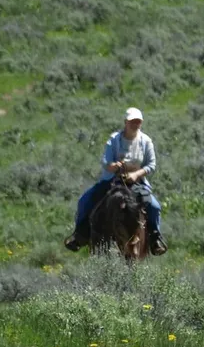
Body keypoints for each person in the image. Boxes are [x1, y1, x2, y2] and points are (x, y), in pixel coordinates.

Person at [65, 107, 165, 255]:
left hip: (137, 183)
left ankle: (155, 238)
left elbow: (151, 165)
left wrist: (136, 174)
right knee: (84, 200)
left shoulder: (146, 141)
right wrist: (114, 166)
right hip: (112, 181)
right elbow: (106, 161)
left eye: (138, 122)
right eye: (132, 121)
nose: (135, 124)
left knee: (154, 206)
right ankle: (80, 234)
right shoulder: (114, 139)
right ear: (126, 122)